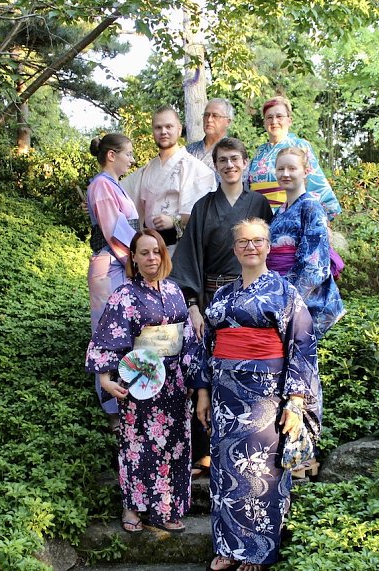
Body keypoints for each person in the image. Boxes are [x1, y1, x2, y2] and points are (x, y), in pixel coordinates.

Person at [189, 218, 321, 571]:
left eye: (258, 240)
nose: (250, 247)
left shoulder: (284, 292)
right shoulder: (222, 295)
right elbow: (208, 345)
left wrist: (295, 401)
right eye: (243, 242)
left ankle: (257, 551)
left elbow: (303, 346)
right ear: (235, 249)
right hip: (224, 395)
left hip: (266, 396)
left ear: (268, 246)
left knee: (261, 471)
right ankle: (228, 547)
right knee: (225, 469)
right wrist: (202, 392)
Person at [170, 137, 273, 480]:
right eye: (223, 160)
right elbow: (188, 258)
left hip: (251, 298)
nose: (229, 165)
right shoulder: (203, 206)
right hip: (211, 295)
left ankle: (248, 447)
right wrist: (193, 306)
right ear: (215, 166)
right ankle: (203, 453)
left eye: (235, 159)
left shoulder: (258, 203)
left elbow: (266, 251)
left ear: (245, 163)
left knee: (243, 370)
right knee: (205, 370)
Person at [86, 229, 193, 534]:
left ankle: (166, 509)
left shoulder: (175, 291)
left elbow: (186, 339)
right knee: (136, 444)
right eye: (144, 252)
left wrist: (192, 377)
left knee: (173, 446)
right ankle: (132, 506)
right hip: (139, 382)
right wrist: (105, 378)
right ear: (133, 256)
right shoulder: (125, 295)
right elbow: (108, 336)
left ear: (164, 255)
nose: (151, 258)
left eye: (156, 251)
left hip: (173, 383)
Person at [85, 133, 140, 425]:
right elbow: (114, 233)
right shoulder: (103, 187)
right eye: (128, 153)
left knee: (124, 331)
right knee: (110, 332)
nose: (131, 159)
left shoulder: (112, 186)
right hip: (112, 267)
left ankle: (126, 406)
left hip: (117, 265)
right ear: (111, 155)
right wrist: (135, 264)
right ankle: (114, 413)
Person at [267, 147, 345, 339]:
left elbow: (314, 266)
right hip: (279, 293)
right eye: (280, 169)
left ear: (306, 171)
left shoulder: (311, 207)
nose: (285, 174)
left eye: (292, 168)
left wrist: (284, 302)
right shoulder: (280, 211)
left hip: (303, 301)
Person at [122, 105, 216, 255]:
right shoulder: (147, 170)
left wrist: (174, 220)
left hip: (179, 249)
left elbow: (204, 215)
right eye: (158, 127)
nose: (163, 132)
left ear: (179, 129)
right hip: (150, 250)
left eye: (168, 126)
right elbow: (119, 193)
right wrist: (97, 198)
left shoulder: (197, 169)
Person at [247, 96, 341, 221]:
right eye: (269, 117)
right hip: (259, 217)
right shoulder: (259, 152)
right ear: (264, 122)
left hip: (290, 215)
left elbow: (315, 182)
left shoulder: (300, 146)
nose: (274, 121)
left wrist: (321, 218)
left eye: (279, 116)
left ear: (289, 121)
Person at [186, 98, 234, 179]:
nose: (209, 120)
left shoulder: (234, 151)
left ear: (227, 122)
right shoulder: (189, 151)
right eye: (206, 115)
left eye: (215, 116)